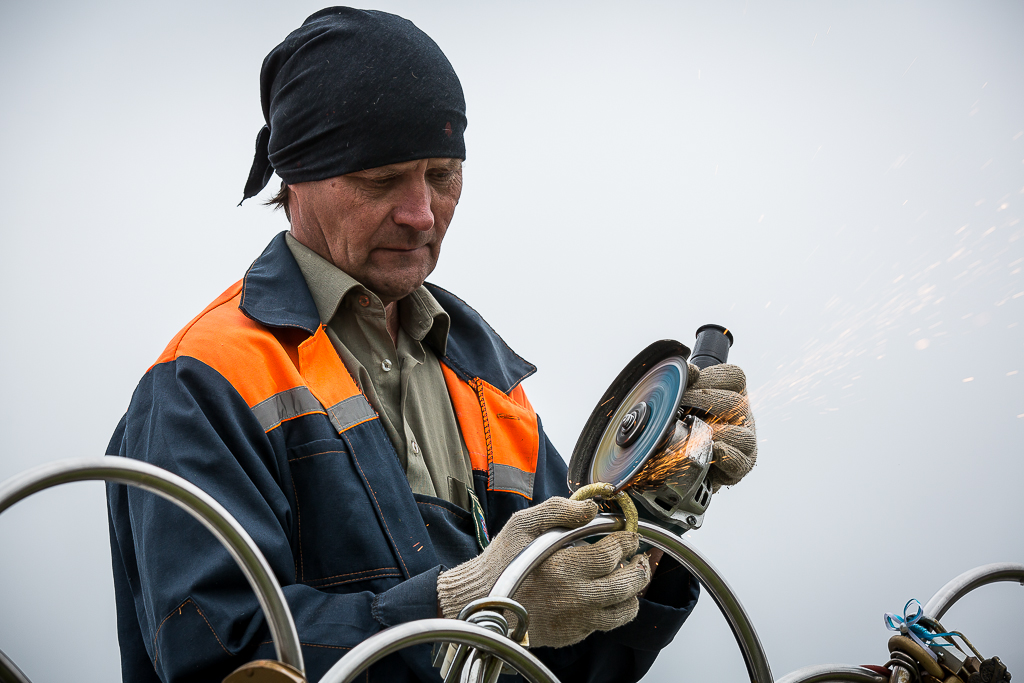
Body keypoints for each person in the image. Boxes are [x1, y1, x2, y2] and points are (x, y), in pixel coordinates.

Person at [105, 7, 758, 683]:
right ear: (295, 175)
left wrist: (664, 502)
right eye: (382, 179)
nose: (421, 212)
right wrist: (470, 602)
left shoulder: (488, 386)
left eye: (443, 174)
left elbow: (584, 660)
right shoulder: (205, 379)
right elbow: (222, 658)